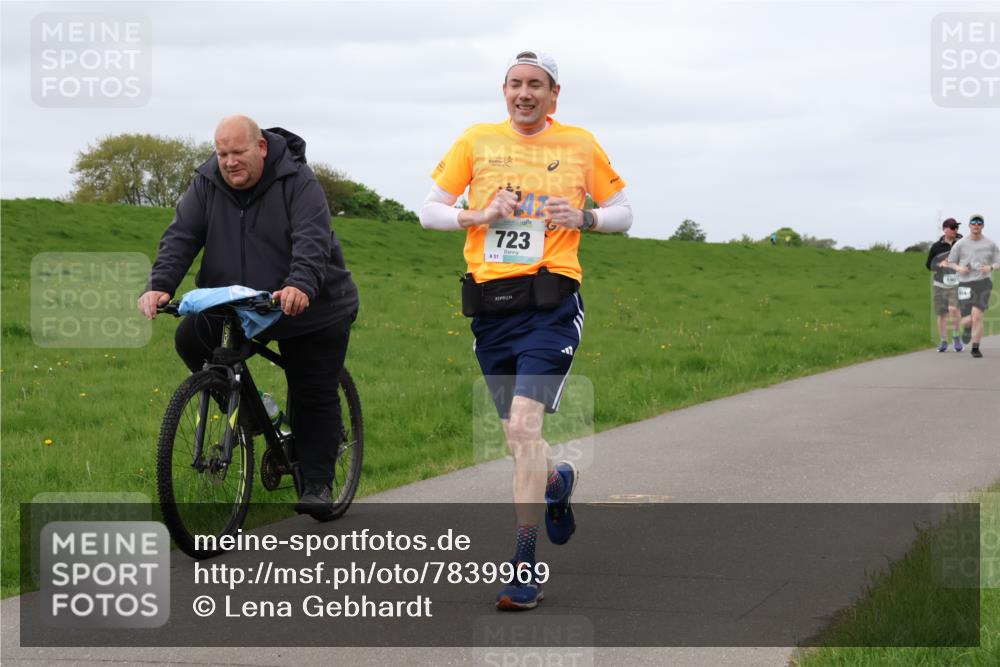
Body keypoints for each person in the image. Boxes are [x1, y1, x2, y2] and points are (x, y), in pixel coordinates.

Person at [418, 51, 633, 610]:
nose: (524, 93)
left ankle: (523, 563)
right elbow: (430, 210)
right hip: (491, 311)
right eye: (515, 84)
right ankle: (556, 483)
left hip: (551, 306)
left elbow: (623, 211)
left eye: (536, 84)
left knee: (520, 429)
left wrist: (584, 217)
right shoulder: (476, 141)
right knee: (523, 445)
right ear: (505, 92)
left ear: (554, 94)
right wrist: (477, 215)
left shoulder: (579, 144)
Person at [138, 115, 359, 518]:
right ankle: (255, 419)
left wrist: (300, 286)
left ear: (260, 148)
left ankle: (317, 482)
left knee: (311, 387)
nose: (229, 162)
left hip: (310, 305)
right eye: (222, 153)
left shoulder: (298, 180)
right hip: (240, 301)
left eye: (237, 152)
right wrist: (160, 283)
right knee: (190, 338)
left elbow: (312, 238)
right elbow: (182, 234)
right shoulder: (206, 183)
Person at [945, 214, 1000, 358]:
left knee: (977, 316)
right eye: (974, 223)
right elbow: (950, 262)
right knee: (967, 319)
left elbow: (998, 261)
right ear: (969, 226)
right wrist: (959, 269)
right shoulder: (960, 244)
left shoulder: (990, 244)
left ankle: (975, 347)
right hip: (964, 283)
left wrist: (990, 268)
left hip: (983, 282)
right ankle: (967, 330)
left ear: (982, 226)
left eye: (979, 223)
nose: (976, 225)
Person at [926, 218, 963, 352]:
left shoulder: (961, 244)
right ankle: (943, 341)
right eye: (953, 227)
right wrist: (939, 265)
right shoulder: (936, 247)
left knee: (954, 309)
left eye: (956, 228)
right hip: (939, 284)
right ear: (945, 229)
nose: (955, 230)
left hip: (956, 283)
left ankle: (957, 337)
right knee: (942, 314)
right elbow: (929, 265)